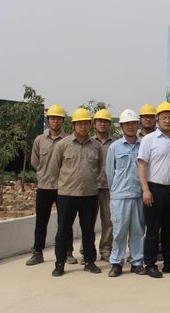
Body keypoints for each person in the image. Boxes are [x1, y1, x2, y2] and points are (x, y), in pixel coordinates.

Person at [48, 108, 103, 276]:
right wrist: (66, 183)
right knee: (63, 231)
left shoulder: (96, 146)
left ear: (90, 125)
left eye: (86, 123)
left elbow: (99, 167)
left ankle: (90, 261)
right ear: (73, 125)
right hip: (67, 195)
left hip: (89, 195)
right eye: (79, 123)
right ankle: (59, 264)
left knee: (88, 231)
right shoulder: (63, 145)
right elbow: (54, 168)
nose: (83, 126)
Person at [137, 101, 170, 278]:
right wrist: (145, 190)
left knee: (169, 229)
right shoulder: (149, 140)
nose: (167, 121)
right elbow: (141, 166)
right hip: (154, 189)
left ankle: (169, 263)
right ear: (158, 119)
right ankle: (150, 264)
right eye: (164, 118)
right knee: (152, 229)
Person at [26, 104, 74, 266]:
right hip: (44, 186)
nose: (55, 122)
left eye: (58, 119)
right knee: (41, 222)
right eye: (53, 118)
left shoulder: (69, 140)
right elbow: (35, 162)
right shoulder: (39, 140)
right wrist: (43, 174)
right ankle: (37, 252)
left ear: (63, 121)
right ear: (48, 121)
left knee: (65, 222)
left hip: (64, 188)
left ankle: (67, 252)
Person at [106, 109, 146, 277]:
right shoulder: (114, 147)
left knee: (138, 230)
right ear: (121, 126)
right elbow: (110, 173)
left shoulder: (143, 145)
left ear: (137, 125)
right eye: (126, 124)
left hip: (138, 195)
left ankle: (137, 262)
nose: (130, 127)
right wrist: (115, 191)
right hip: (120, 196)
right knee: (119, 231)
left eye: (133, 124)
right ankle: (116, 262)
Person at [92, 109, 115, 262]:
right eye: (99, 121)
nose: (102, 124)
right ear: (94, 124)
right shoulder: (89, 142)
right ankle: (87, 250)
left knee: (108, 221)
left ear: (109, 124)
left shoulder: (115, 143)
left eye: (105, 121)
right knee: (88, 222)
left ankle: (106, 250)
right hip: (91, 188)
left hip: (109, 187)